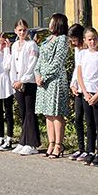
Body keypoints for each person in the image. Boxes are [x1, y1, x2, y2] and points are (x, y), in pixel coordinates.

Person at [74, 27, 98, 167]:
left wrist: (97, 94)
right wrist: (84, 92)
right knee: (89, 123)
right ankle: (90, 151)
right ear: (85, 40)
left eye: (95, 38)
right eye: (89, 39)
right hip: (86, 92)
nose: (92, 41)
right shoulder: (82, 54)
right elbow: (79, 74)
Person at [34, 14, 71, 158]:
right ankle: (50, 142)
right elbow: (40, 59)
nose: (49, 24)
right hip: (43, 82)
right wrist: (37, 74)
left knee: (56, 113)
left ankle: (59, 145)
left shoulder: (62, 40)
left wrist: (45, 76)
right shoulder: (47, 40)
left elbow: (58, 62)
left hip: (55, 81)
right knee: (48, 114)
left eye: (51, 22)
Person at [10, 20, 40, 154]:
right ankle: (23, 140)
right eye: (20, 30)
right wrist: (14, 80)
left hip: (28, 82)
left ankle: (32, 143)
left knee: (29, 112)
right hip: (17, 83)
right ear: (15, 30)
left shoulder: (31, 45)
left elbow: (32, 65)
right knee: (23, 112)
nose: (22, 32)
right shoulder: (15, 45)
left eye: (24, 30)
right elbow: (12, 65)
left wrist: (23, 80)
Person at [65, 24, 87, 161]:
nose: (73, 42)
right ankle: (81, 147)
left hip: (88, 87)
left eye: (75, 39)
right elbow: (76, 69)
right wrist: (73, 84)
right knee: (78, 118)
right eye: (71, 40)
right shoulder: (77, 50)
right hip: (78, 87)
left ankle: (90, 149)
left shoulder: (88, 50)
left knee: (89, 121)